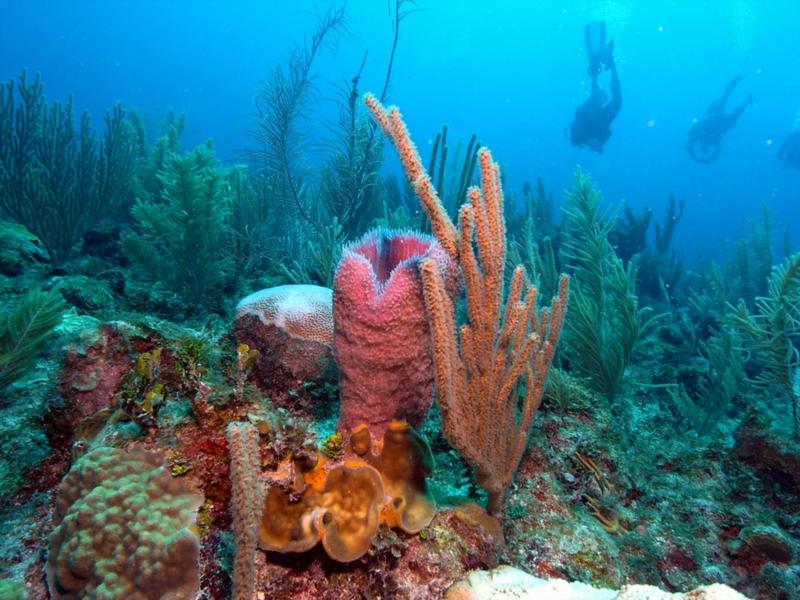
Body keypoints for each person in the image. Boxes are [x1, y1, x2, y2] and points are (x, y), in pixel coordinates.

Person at [570, 21, 622, 153]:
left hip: (594, 120)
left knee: (604, 104)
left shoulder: (593, 108)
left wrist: (596, 75)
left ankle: (601, 66)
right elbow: (607, 133)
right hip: (594, 122)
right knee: (616, 101)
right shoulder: (592, 133)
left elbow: (594, 101)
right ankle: (604, 65)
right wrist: (599, 144)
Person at [686, 75, 753, 163]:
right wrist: (710, 158)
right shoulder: (713, 142)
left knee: (722, 105)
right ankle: (746, 102)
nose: (705, 144)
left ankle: (729, 89)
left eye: (704, 146)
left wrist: (694, 156)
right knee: (734, 116)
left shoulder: (696, 136)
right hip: (721, 124)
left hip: (713, 119)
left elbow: (689, 143)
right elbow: (718, 149)